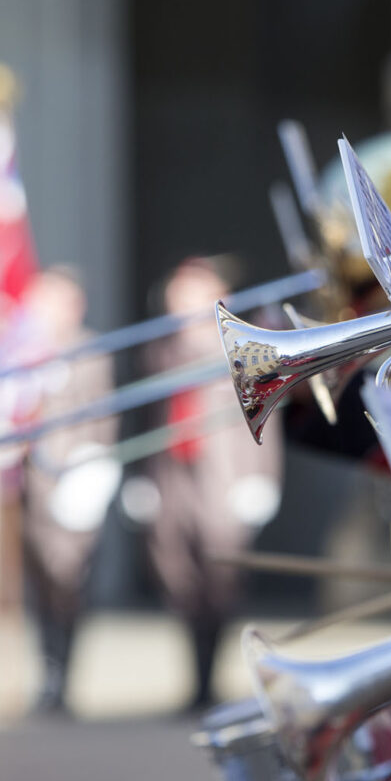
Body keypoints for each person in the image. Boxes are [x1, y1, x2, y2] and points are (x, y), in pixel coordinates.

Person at [142, 257, 283, 712]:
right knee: (176, 571)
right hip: (173, 473)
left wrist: (262, 477)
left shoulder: (242, 345)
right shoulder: (162, 349)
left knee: (219, 575)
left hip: (224, 475)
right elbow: (151, 416)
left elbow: (265, 417)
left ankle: (209, 680)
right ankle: (194, 677)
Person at [16, 266, 118, 715]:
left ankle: (63, 675)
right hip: (30, 484)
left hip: (72, 481)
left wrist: (93, 467)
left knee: (67, 581)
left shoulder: (90, 352)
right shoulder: (24, 353)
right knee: (35, 585)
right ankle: (47, 674)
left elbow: (103, 417)